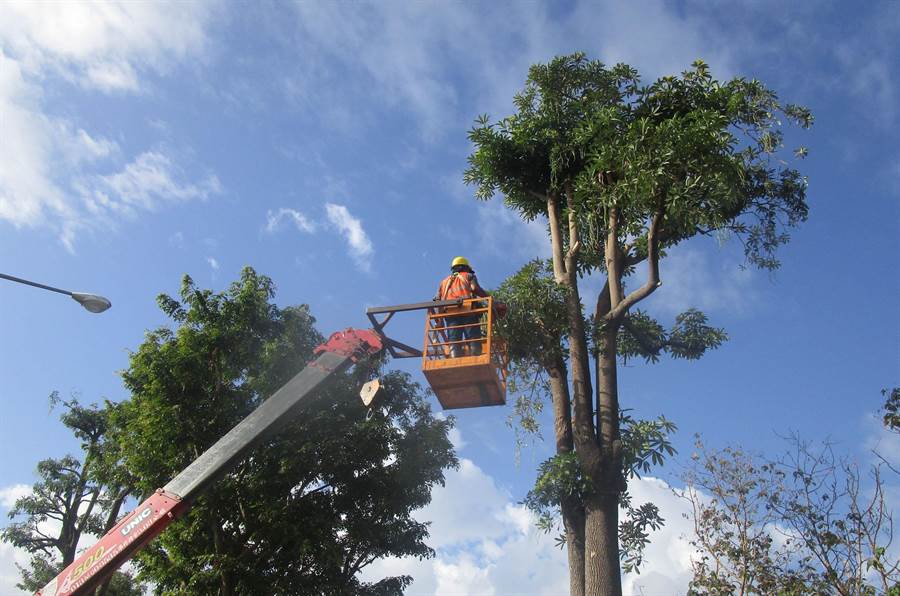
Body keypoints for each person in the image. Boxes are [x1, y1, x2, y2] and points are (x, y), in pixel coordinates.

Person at [435, 256, 489, 357]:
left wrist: (440, 320)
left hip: (450, 314)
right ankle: (476, 358)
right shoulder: (468, 276)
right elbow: (475, 288)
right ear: (466, 267)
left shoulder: (444, 282)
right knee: (473, 338)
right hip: (467, 312)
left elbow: (438, 301)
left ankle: (455, 358)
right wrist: (490, 298)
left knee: (454, 339)